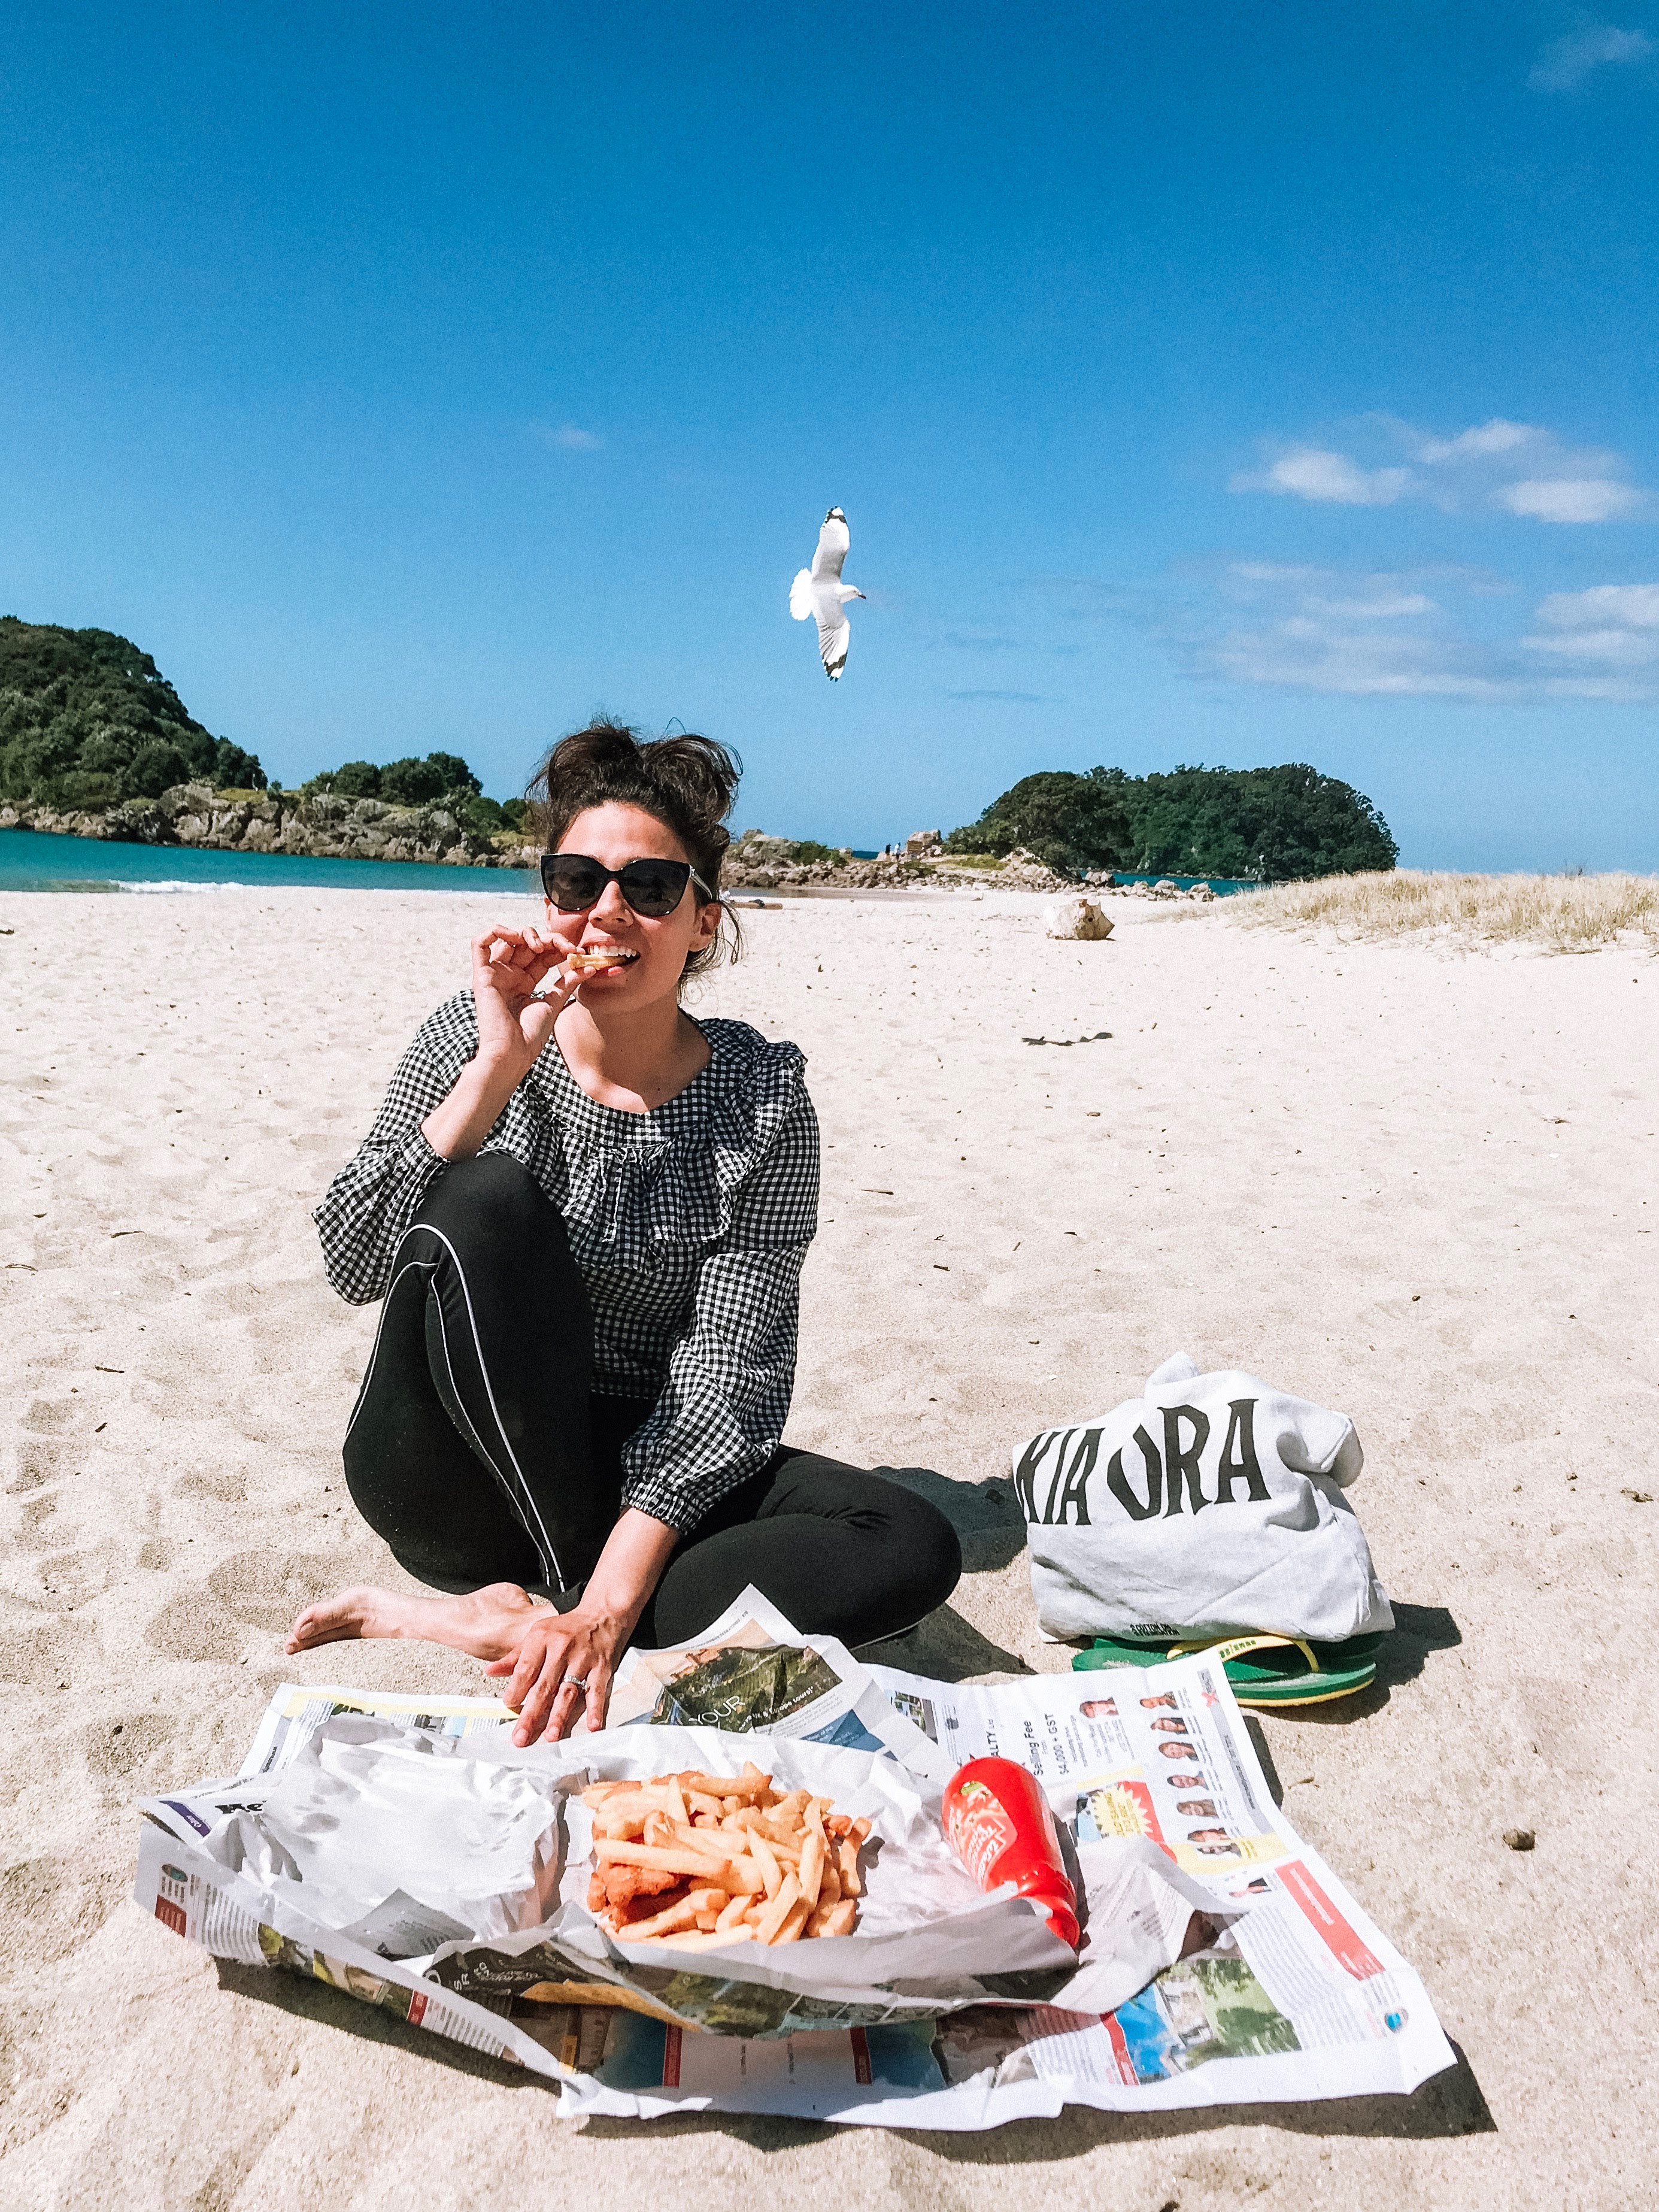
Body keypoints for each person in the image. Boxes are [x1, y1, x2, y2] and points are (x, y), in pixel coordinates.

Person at [284, 723, 962, 1744]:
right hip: (456, 1463)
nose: (608, 910)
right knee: (487, 1198)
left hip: (632, 1475)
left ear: (701, 924)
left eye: (649, 887)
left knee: (909, 1539)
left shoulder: (762, 1100)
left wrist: (610, 1603)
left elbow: (732, 1366)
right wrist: (493, 1077)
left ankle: (522, 1618)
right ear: (546, 901)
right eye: (576, 881)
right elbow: (354, 1259)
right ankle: (576, 1601)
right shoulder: (470, 1039)